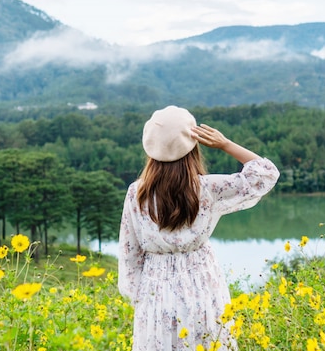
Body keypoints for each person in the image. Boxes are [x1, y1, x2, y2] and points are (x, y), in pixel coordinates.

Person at [118, 105, 280, 351]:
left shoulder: (136, 193)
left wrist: (143, 300)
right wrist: (225, 144)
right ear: (193, 147)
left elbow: (129, 255)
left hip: (155, 288)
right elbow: (265, 174)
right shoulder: (207, 188)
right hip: (202, 284)